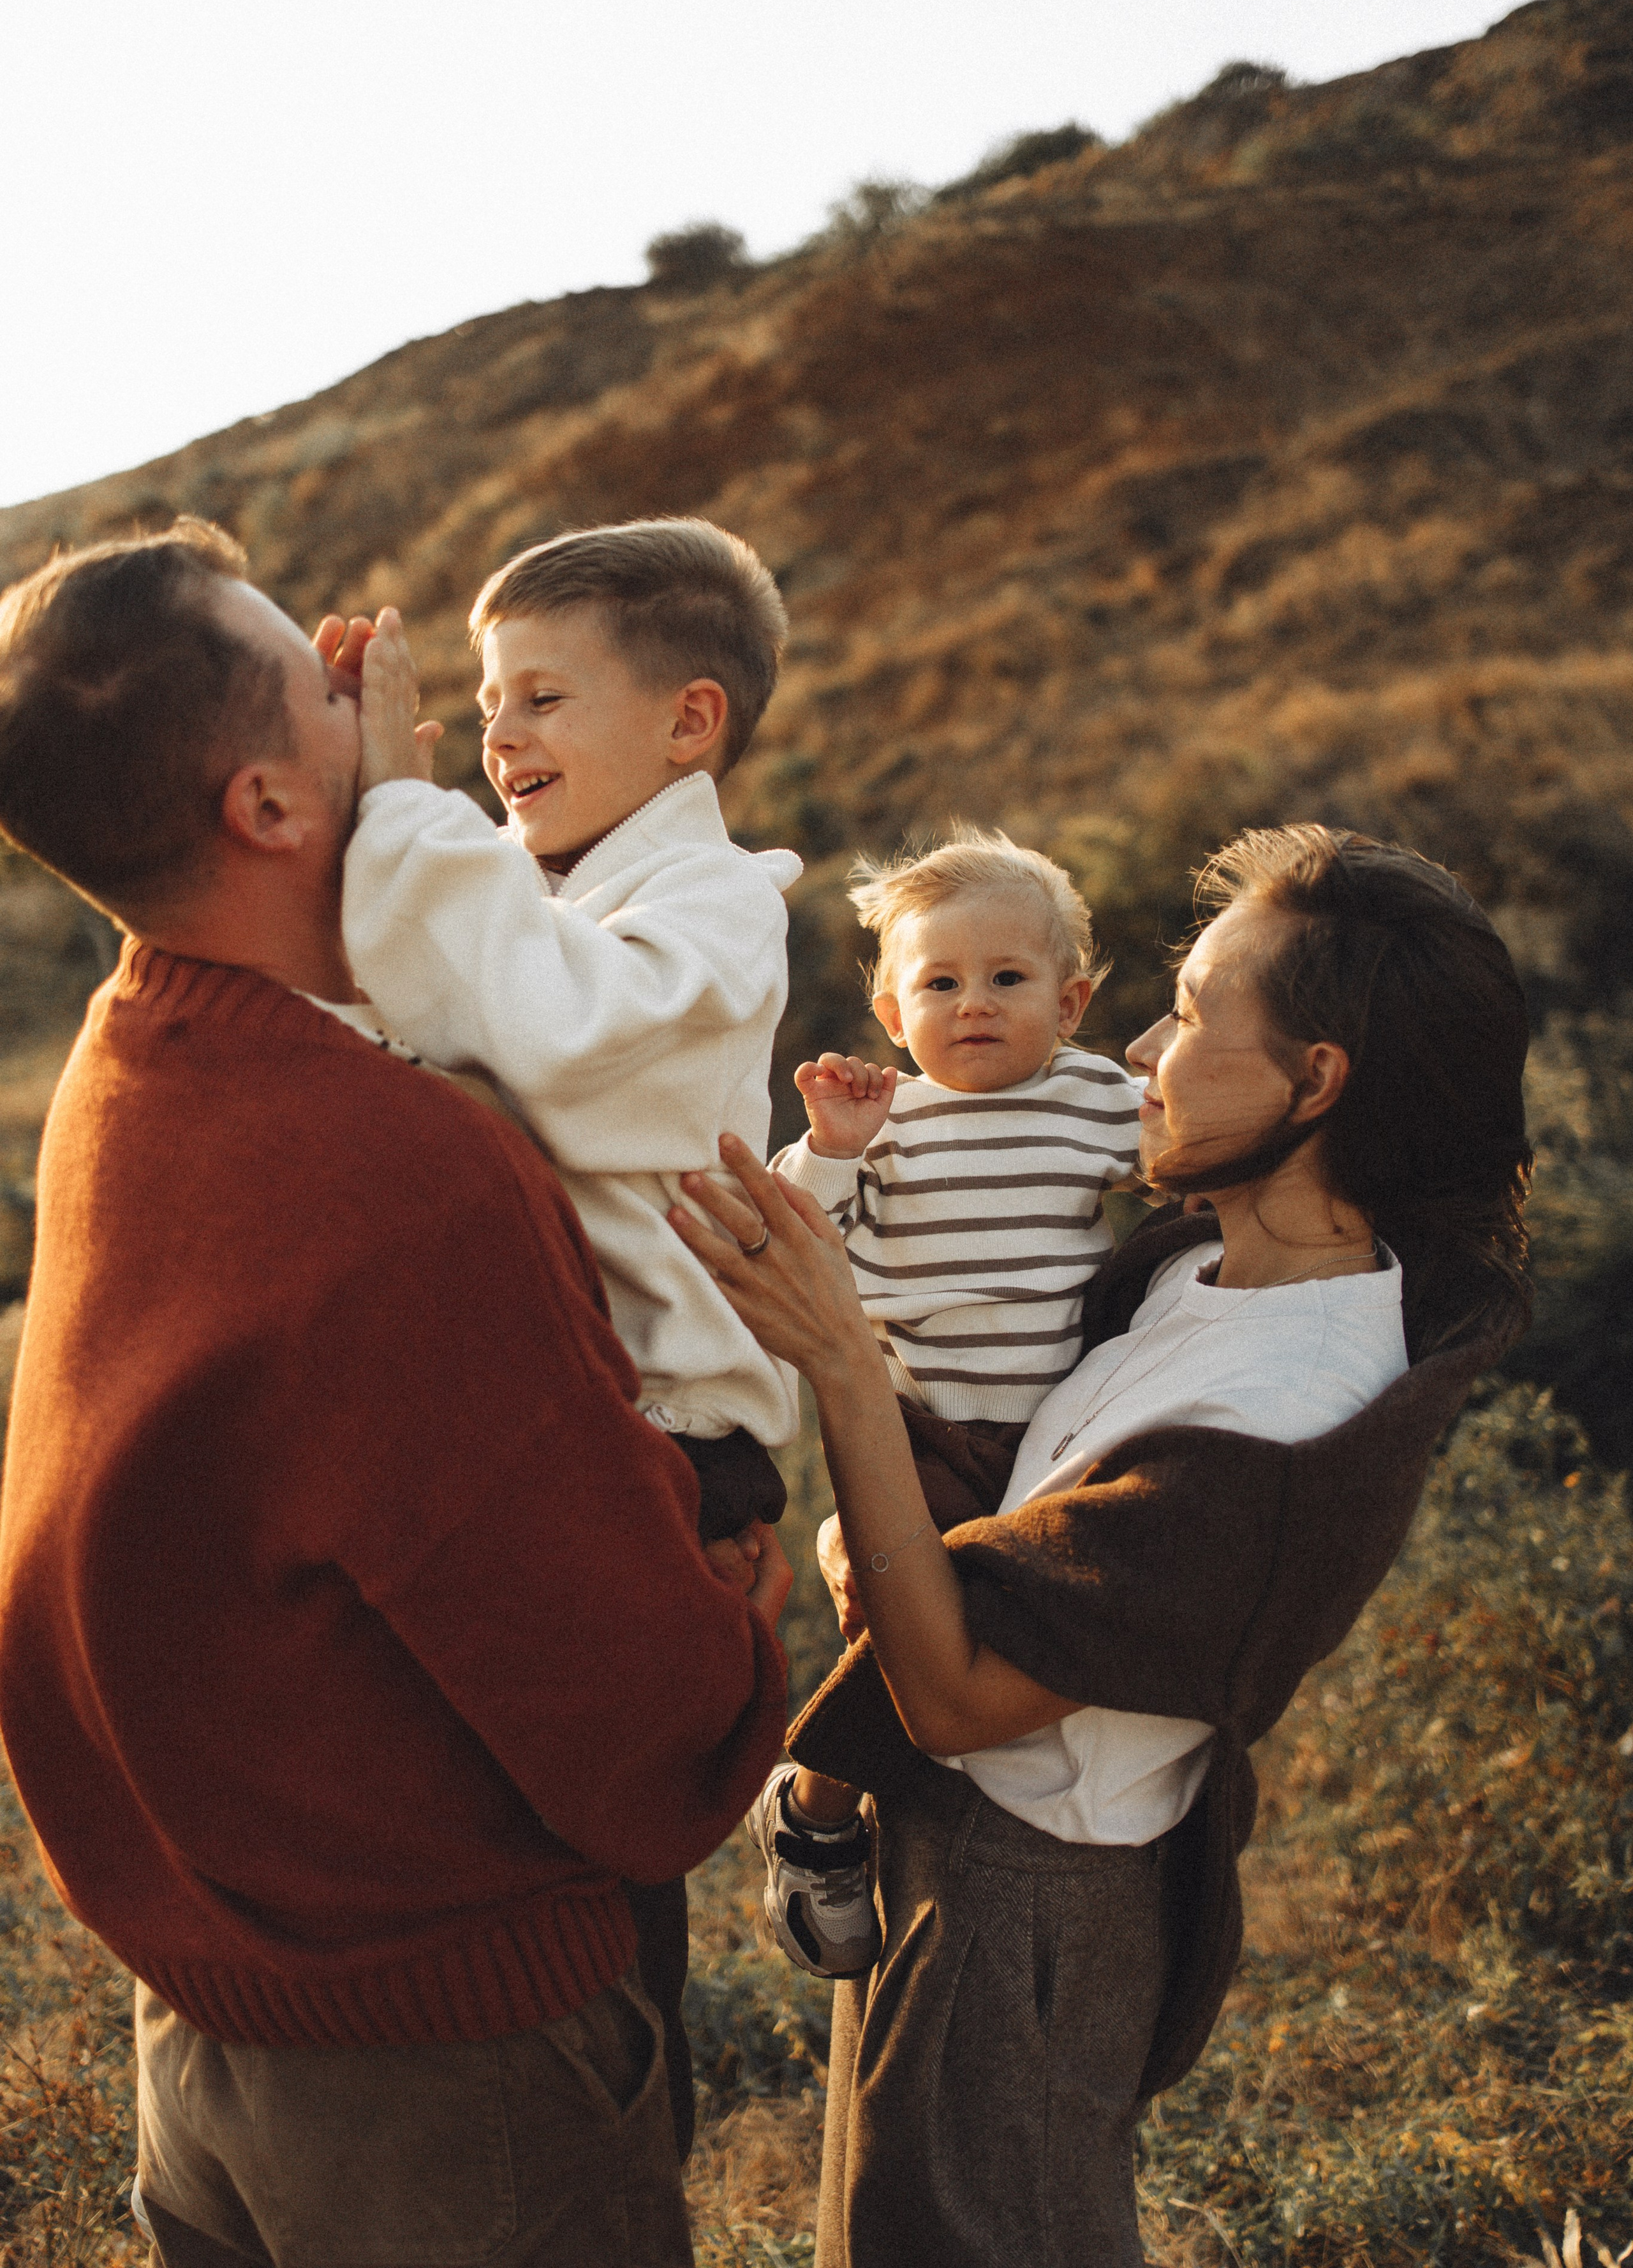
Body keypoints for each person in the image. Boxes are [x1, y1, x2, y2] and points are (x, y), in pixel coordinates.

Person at [0, 519, 791, 2268]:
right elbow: (638, 1717)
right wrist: (738, 1623)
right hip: (441, 2077)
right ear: (275, 809)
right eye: (338, 686)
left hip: (211, 2012)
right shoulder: (401, 1170)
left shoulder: (129, 1064)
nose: (392, 703)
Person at [670, 825, 1532, 2268]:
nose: (1138, 1050)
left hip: (1028, 1896)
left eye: (1191, 1016)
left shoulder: (1276, 1419)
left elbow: (952, 1696)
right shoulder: (1189, 1262)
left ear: (1316, 1083)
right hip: (944, 1843)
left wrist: (839, 1366)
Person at [330, 519, 803, 2146]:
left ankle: (609, 2172)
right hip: (553, 1430)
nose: (495, 737)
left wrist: (399, 803)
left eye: (539, 697)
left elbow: (565, 1044)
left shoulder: (717, 907)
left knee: (600, 1860)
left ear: (688, 724)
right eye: (477, 703)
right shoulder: (546, 893)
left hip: (669, 1450)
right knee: (498, 1817)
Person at [755, 830, 1142, 1974]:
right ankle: (817, 1812)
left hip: (1054, 1433)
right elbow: (803, 1232)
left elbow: (1186, 1155)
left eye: (1008, 980)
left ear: (1069, 1004)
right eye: (939, 983)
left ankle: (868, 1799)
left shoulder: (1093, 1100)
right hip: (915, 1423)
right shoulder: (891, 1124)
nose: (973, 1005)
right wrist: (832, 1149)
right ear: (890, 1010)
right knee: (908, 1617)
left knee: (1008, 1627)